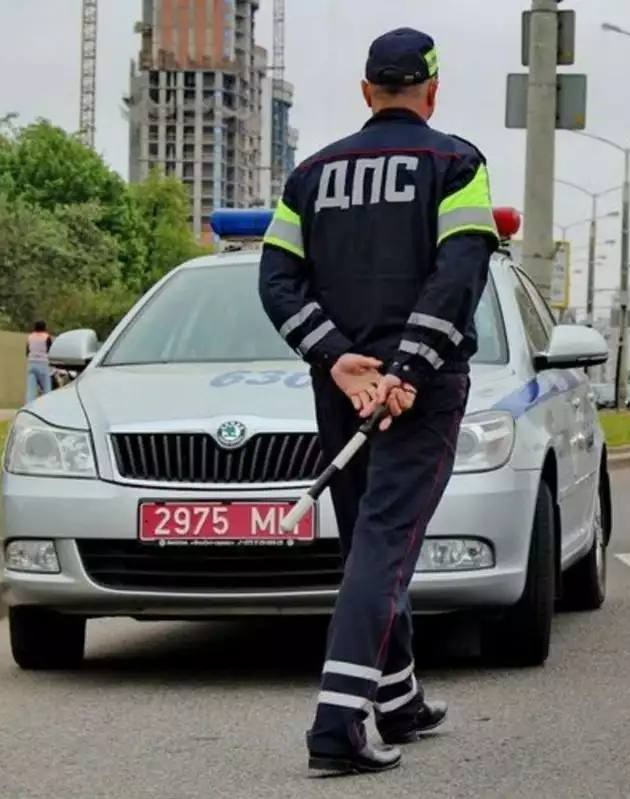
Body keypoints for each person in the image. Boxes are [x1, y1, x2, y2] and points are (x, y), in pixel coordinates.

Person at [258, 27, 499, 776]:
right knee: (385, 544)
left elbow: (276, 281)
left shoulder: (311, 173)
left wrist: (337, 359)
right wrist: (410, 368)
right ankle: (338, 723)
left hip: (345, 388)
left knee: (368, 538)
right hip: (418, 392)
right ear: (433, 91)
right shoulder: (457, 164)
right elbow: (460, 274)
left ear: (367, 91)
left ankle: (397, 698)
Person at [25, 321, 54, 403]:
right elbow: (50, 351)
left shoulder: (30, 337)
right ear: (45, 327)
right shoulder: (46, 337)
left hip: (31, 364)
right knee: (46, 389)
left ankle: (29, 406)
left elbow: (27, 352)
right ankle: (46, 406)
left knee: (30, 390)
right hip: (43, 364)